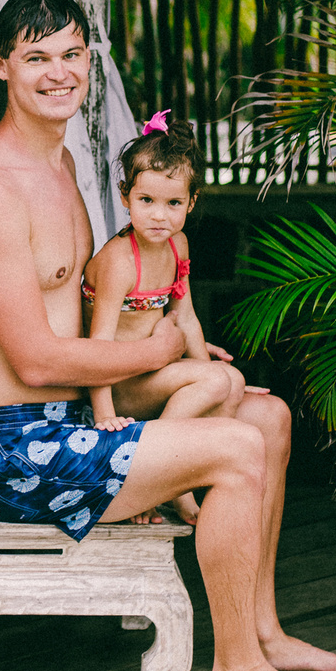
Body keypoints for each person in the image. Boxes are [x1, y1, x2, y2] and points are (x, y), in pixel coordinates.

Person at [0, 0, 336, 671]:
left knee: (265, 419)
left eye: (72, 54)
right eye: (37, 57)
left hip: (73, 414)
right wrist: (160, 351)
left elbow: (83, 311)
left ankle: (264, 635)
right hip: (11, 447)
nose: (59, 73)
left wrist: (168, 352)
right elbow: (35, 360)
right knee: (234, 449)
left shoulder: (60, 166)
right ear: (2, 65)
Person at [82, 112, 244, 523]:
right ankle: (160, 480)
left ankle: (172, 478)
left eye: (173, 203)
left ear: (191, 202)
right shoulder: (120, 262)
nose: (159, 215)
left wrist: (215, 377)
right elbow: (98, 344)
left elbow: (185, 316)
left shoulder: (178, 246)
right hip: (120, 385)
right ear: (125, 196)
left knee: (231, 382)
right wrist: (104, 415)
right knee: (217, 382)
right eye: (146, 201)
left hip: (152, 374)